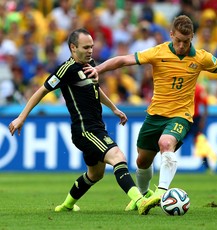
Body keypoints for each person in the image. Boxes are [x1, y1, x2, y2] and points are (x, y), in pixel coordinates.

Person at [84, 15, 217, 214]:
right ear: (171, 34)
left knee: (166, 143)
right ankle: (144, 196)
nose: (181, 45)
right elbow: (123, 60)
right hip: (155, 115)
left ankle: (162, 192)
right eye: (178, 40)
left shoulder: (200, 57)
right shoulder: (158, 52)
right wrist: (98, 69)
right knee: (142, 161)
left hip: (181, 116)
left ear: (192, 37)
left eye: (186, 41)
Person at [8, 28, 152, 215]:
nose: (90, 50)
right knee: (118, 157)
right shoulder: (66, 69)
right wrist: (21, 117)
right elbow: (42, 90)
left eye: (91, 46)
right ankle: (140, 200)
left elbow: (94, 89)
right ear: (73, 48)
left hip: (95, 127)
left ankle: (67, 205)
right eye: (86, 47)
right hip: (85, 130)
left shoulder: (89, 64)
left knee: (95, 174)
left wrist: (114, 108)